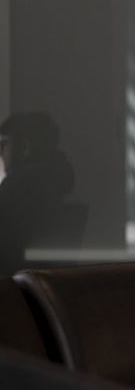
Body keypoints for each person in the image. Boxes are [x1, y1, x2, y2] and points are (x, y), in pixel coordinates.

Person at [0, 112, 76, 274]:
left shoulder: (20, 186)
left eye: (5, 144)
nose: (1, 152)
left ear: (24, 146)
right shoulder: (53, 182)